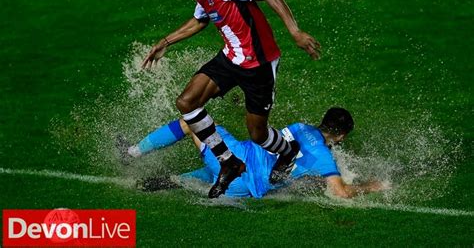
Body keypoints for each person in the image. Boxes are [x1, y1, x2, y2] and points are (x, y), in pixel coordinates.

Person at [141, 0, 321, 198]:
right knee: (187, 102)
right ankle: (229, 162)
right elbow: (198, 22)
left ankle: (288, 150)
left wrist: (295, 32)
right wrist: (165, 42)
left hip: (258, 65)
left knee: (258, 134)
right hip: (231, 59)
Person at [119, 108, 388, 199]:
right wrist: (369, 186)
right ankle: (171, 181)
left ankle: (132, 154)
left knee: (190, 122)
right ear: (340, 136)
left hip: (236, 158)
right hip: (243, 188)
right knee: (212, 174)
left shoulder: (300, 127)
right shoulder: (324, 159)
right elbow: (340, 192)